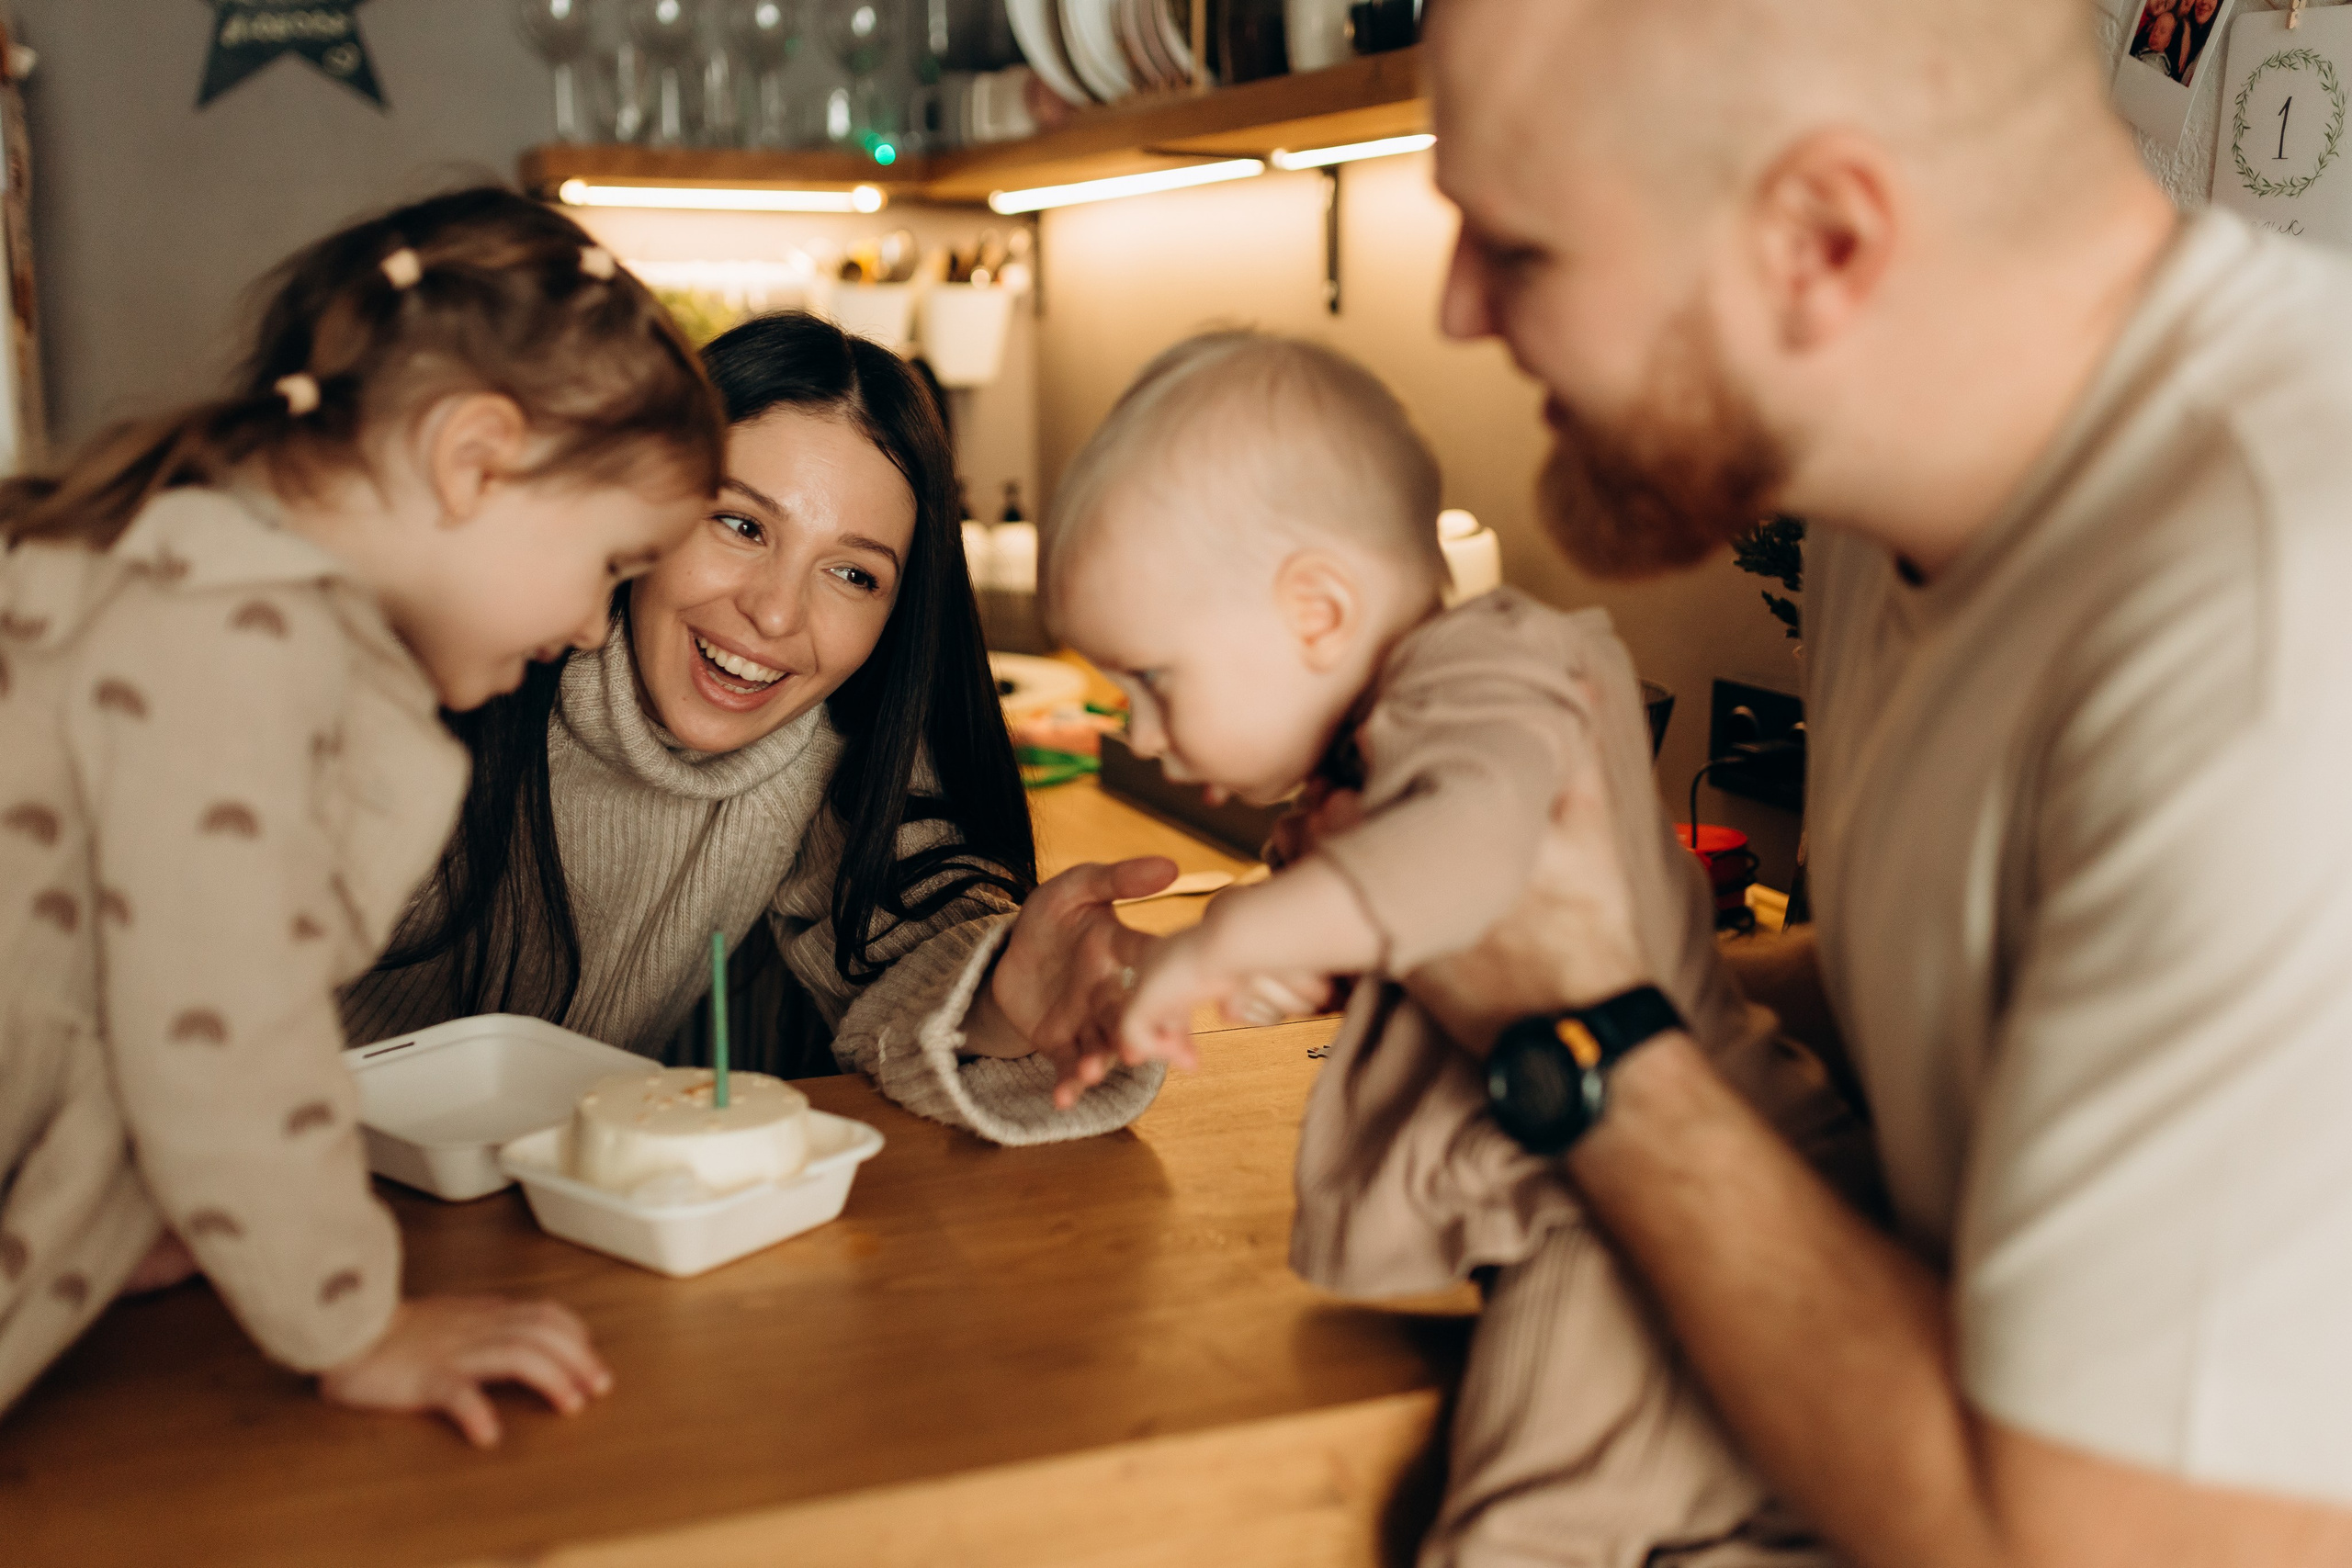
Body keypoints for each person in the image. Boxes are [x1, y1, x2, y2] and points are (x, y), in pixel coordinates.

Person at [1356, 0, 2352, 1563]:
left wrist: (1585, 1023)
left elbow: (2094, 1545)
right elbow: (1991, 986)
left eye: (1520, 246)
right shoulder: (1879, 504)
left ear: (1823, 240)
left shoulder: (2271, 621)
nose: (1461, 309)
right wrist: (1547, 943)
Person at [1056, 331, 1843, 1565]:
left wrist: (1217, 943)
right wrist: (1206, 976)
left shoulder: (1488, 671)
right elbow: (1389, 948)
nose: (1138, 729)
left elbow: (1466, 854)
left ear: (1316, 610)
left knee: (1519, 1540)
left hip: (1628, 1225)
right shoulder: (1378, 751)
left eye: (1152, 678)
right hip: (1593, 1200)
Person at [0, 187, 725, 1441]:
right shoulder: (234, 633)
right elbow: (218, 1024)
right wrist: (355, 1319)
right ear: (474, 460)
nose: (592, 627)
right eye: (609, 562)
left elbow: (100, 969)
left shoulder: (185, 566)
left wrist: (123, 1201)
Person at [343, 310, 1171, 1144]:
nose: (775, 612)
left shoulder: (826, 744)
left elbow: (927, 931)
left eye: (852, 573)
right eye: (741, 525)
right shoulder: (444, 675)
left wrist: (1005, 996)